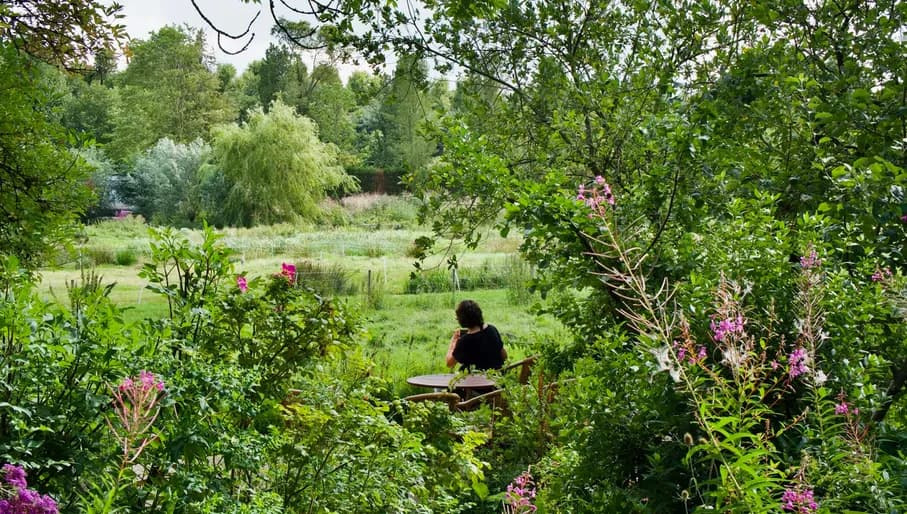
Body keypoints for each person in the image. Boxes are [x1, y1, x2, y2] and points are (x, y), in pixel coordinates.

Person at [445, 299, 507, 370]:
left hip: (477, 379)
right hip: (497, 376)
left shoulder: (465, 341)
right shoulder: (492, 329)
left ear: (462, 320)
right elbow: (504, 356)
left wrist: (453, 341)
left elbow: (449, 363)